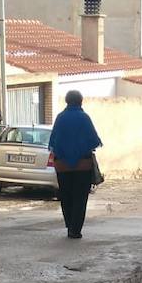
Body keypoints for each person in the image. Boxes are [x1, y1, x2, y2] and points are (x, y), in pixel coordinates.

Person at [48, 90, 103, 239]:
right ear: (80, 101)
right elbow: (94, 140)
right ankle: (75, 229)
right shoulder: (84, 118)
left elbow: (53, 141)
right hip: (82, 166)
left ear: (67, 101)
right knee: (80, 197)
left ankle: (69, 225)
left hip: (62, 166)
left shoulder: (60, 118)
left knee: (66, 196)